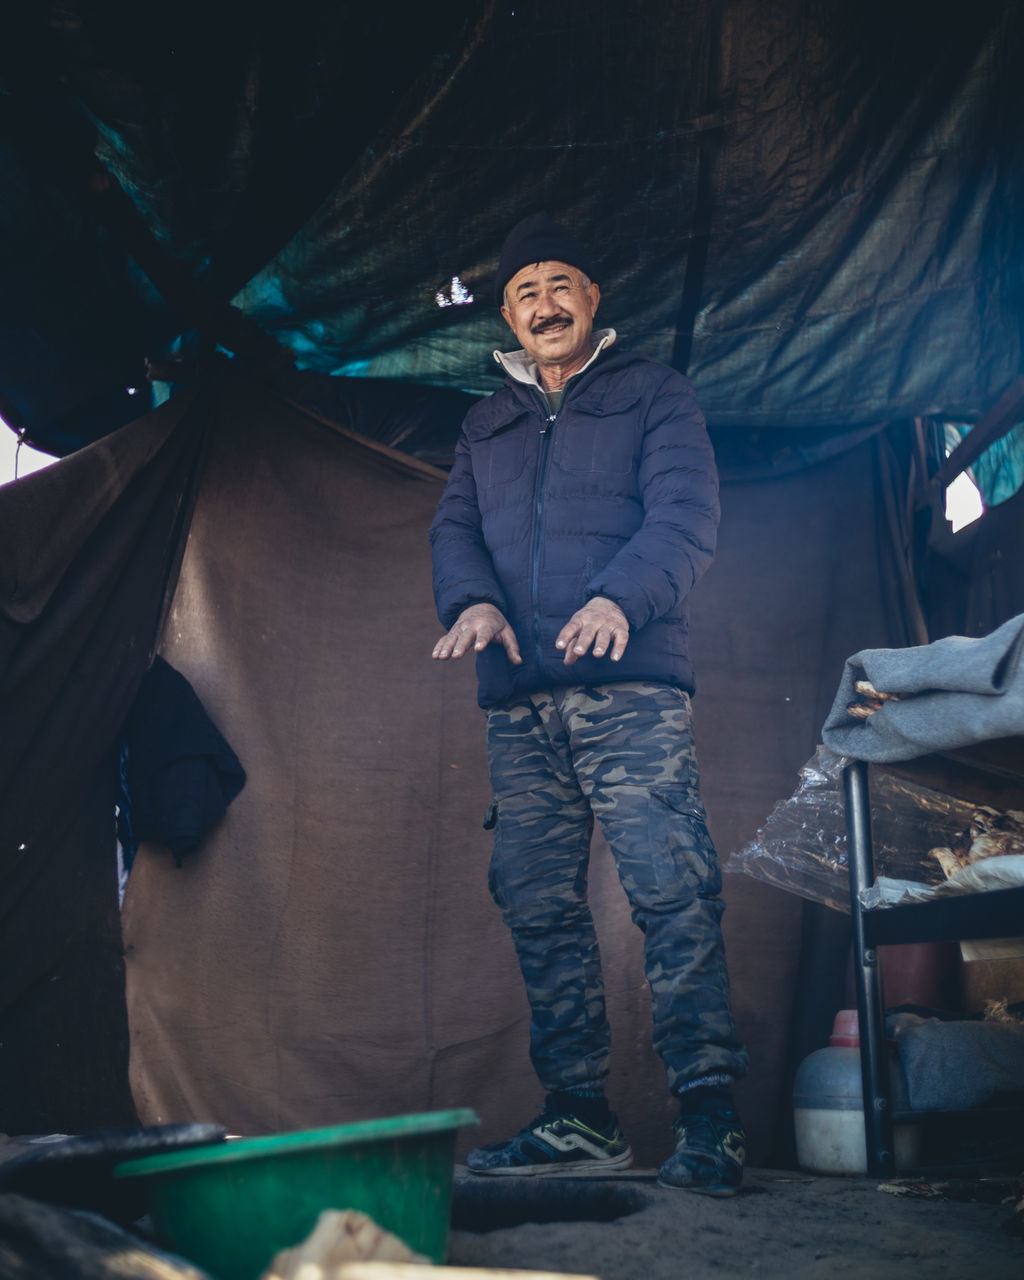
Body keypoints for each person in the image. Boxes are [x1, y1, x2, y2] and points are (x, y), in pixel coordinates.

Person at [429, 213, 748, 1194]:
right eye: (523, 292)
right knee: (532, 897)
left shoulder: (653, 392)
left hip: (629, 689)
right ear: (509, 318)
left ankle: (713, 1119)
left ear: (592, 298)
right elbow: (453, 531)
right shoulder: (484, 422)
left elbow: (687, 516)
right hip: (519, 700)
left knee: (669, 885)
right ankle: (578, 1118)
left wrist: (620, 595)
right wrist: (473, 601)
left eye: (558, 283)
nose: (543, 304)